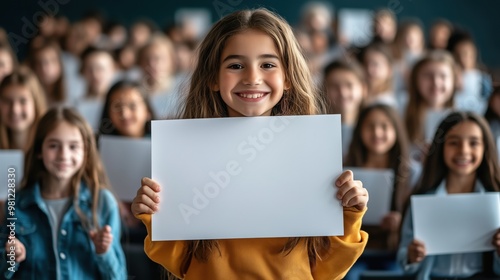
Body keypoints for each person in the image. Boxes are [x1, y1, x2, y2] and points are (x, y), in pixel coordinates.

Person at [131, 8, 368, 280]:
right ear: (212, 77)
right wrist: (155, 214)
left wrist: (349, 213)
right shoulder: (186, 155)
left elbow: (326, 271)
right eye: (235, 65)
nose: (252, 77)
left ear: (288, 77)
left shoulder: (310, 153)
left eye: (268, 64)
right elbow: (182, 264)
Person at [0, 107, 127, 279]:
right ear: (39, 150)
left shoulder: (103, 202)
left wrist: (104, 253)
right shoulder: (17, 203)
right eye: (53, 145)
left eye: (73, 146)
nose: (63, 155)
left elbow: (119, 276)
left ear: (86, 152)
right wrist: (11, 258)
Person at [397, 111, 500, 279]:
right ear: (441, 148)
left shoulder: (496, 202)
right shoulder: (422, 200)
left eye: (474, 143)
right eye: (453, 143)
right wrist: (412, 256)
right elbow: (403, 260)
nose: (464, 151)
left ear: (485, 148)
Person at [343, 104, 416, 280]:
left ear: (396, 130)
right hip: (354, 253)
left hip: (393, 252)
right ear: (359, 130)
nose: (377, 132)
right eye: (370, 126)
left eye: (384, 126)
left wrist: (401, 223)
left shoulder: (411, 173)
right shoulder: (345, 171)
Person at [404, 50, 458, 161]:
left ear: (453, 81)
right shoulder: (401, 115)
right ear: (415, 80)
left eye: (443, 76)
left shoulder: (461, 121)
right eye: (428, 75)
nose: (436, 82)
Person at [322, 59, 367, 157]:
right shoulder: (316, 131)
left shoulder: (373, 129)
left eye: (349, 85)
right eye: (334, 86)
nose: (343, 93)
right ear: (323, 90)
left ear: (363, 89)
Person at [0, 66, 47, 151]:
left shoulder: (49, 144)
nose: (15, 110)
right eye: (7, 101)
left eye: (23, 101)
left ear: (36, 103)